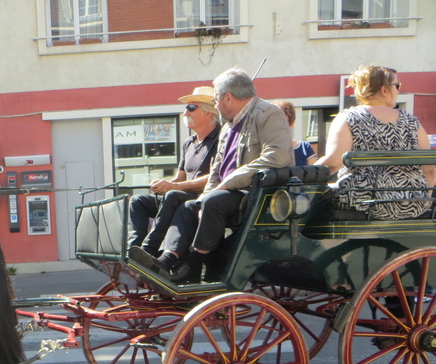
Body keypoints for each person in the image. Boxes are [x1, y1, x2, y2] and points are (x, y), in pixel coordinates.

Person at [142, 68, 293, 283]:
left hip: (254, 192)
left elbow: (277, 157)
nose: (215, 105)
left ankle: (194, 262)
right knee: (188, 206)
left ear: (228, 97)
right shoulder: (227, 127)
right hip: (226, 192)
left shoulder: (268, 113)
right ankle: (166, 260)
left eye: (216, 100)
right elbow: (217, 168)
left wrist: (227, 184)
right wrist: (204, 197)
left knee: (213, 201)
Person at [315, 65, 436, 220]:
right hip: (413, 204)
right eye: (397, 86)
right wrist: (424, 199)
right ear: (384, 90)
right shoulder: (412, 121)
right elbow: (429, 169)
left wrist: (305, 174)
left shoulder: (349, 118)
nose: (398, 91)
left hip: (362, 201)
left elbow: (333, 162)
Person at [127, 86, 221, 271]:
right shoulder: (189, 142)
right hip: (181, 197)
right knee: (137, 201)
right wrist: (164, 184)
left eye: (191, 107)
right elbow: (180, 177)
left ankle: (149, 250)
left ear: (208, 113)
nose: (185, 112)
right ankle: (134, 248)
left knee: (173, 196)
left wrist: (173, 187)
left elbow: (215, 177)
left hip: (205, 200)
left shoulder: (220, 139)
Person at [273, 99, 317, 166]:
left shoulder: (304, 148)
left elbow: (314, 173)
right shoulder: (264, 149)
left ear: (291, 124)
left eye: (282, 123)